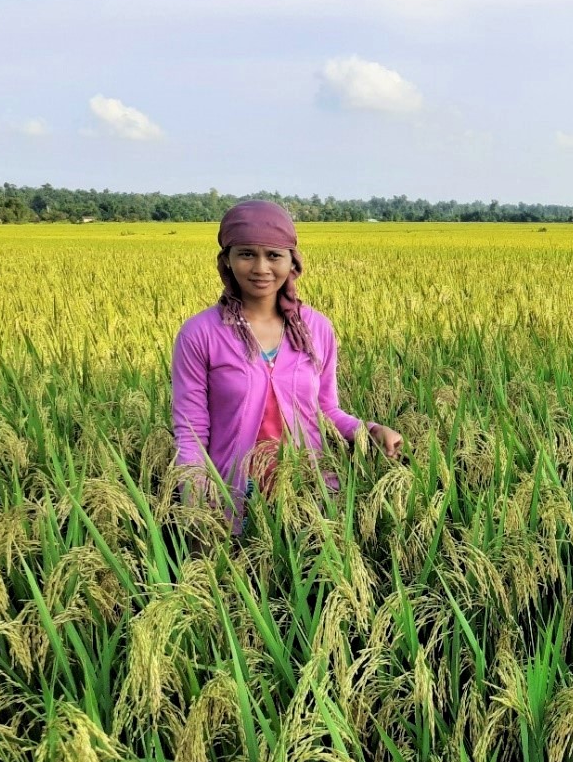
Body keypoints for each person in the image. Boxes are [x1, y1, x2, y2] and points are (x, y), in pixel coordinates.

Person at [171, 200, 403, 534]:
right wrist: (197, 506)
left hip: (310, 494)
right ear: (227, 260)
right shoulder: (200, 333)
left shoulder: (315, 329)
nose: (261, 268)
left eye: (274, 255)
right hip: (234, 500)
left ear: (292, 261)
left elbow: (325, 410)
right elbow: (191, 430)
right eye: (247, 253)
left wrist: (369, 430)